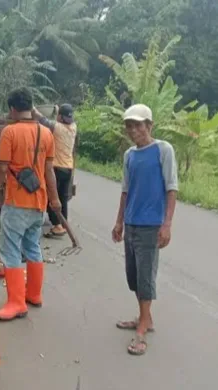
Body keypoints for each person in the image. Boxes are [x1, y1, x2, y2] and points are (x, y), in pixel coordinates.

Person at [0, 88, 61, 321]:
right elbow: (49, 170)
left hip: (17, 201)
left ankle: (16, 303)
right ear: (31, 106)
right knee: (32, 247)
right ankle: (34, 294)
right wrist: (55, 198)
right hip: (39, 202)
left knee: (10, 250)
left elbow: (1, 168)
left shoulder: (10, 132)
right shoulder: (47, 133)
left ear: (12, 109)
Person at [112, 104, 178, 356]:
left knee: (145, 276)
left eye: (138, 125)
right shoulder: (129, 155)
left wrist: (167, 224)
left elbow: (172, 188)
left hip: (152, 225)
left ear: (150, 126)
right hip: (131, 223)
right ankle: (144, 317)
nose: (133, 130)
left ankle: (143, 326)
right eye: (129, 125)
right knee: (133, 275)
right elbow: (125, 190)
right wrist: (119, 222)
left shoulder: (163, 150)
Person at [32, 104, 78, 237]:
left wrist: (32, 107)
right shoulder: (73, 127)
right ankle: (64, 224)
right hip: (68, 168)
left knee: (52, 196)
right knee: (63, 198)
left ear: (59, 117)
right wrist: (58, 110)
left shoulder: (56, 128)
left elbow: (41, 119)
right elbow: (59, 119)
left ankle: (57, 225)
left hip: (57, 168)